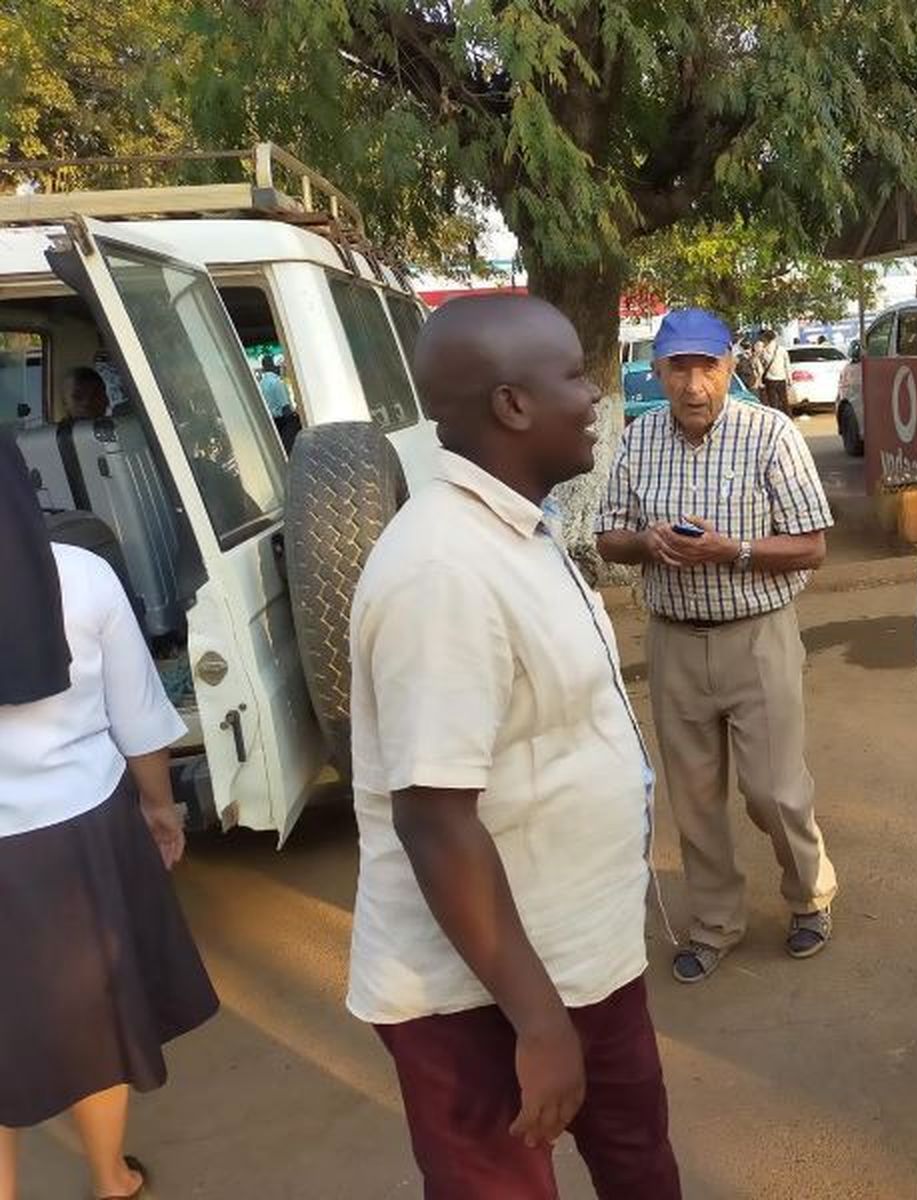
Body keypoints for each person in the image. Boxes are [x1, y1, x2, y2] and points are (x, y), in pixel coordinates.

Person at [345, 295, 680, 1199]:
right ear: (511, 406)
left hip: (582, 953)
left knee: (641, 1165)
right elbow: (433, 819)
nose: (597, 396)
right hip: (482, 998)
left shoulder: (520, 532)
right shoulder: (442, 572)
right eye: (574, 374)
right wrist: (537, 1023)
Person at [0, 432, 217, 1200]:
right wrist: (162, 814)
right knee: (94, 1020)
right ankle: (109, 1179)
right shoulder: (83, 578)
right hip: (80, 843)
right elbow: (140, 723)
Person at [596, 307, 838, 985]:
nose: (694, 384)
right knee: (695, 797)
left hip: (756, 637)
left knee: (772, 791)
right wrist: (647, 543)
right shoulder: (638, 440)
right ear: (658, 372)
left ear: (731, 367)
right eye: (680, 368)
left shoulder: (769, 435)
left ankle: (810, 895)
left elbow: (813, 546)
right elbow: (607, 534)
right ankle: (713, 924)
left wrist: (732, 551)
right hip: (674, 641)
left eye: (708, 366)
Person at [758, 329, 792, 416]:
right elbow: (787, 365)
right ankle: (789, 418)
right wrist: (789, 379)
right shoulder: (782, 350)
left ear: (766, 339)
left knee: (773, 402)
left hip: (770, 379)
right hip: (781, 378)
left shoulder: (764, 351)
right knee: (784, 401)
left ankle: (775, 418)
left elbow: (762, 365)